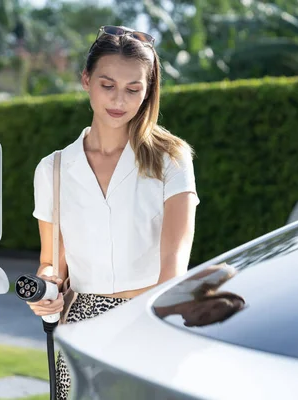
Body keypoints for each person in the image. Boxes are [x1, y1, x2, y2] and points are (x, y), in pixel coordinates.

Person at [27, 25, 200, 399]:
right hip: (81, 328)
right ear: (86, 80)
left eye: (133, 89)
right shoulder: (53, 169)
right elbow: (51, 262)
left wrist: (152, 324)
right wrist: (46, 290)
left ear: (148, 91)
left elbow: (174, 264)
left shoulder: (172, 159)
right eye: (107, 85)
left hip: (149, 318)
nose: (119, 99)